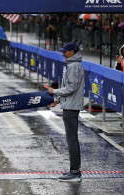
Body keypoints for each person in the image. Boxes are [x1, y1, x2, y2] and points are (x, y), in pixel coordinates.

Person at [48, 42, 84, 182]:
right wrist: (58, 100)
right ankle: (74, 170)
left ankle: (75, 172)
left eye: (65, 51)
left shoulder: (74, 66)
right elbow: (70, 89)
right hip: (69, 104)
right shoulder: (72, 65)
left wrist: (54, 91)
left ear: (72, 52)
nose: (63, 54)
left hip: (71, 107)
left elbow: (71, 88)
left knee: (72, 140)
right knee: (72, 139)